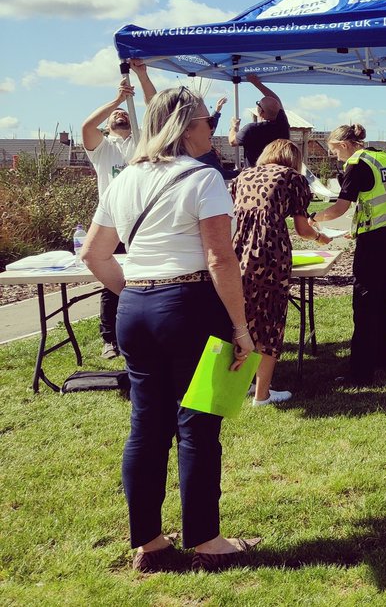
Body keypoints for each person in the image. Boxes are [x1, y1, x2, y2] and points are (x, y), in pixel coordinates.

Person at [79, 87, 260, 572]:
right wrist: (241, 328)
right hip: (190, 305)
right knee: (197, 426)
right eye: (208, 122)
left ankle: (150, 544)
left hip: (135, 308)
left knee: (146, 427)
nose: (212, 131)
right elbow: (220, 258)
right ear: (185, 125)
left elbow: (93, 254)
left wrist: (137, 290)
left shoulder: (125, 178)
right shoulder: (204, 177)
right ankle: (208, 542)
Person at [232, 139, 329, 406]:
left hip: (238, 251)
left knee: (242, 317)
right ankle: (262, 394)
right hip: (270, 254)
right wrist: (319, 237)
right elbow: (302, 229)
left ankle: (239, 384)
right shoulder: (293, 179)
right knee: (270, 321)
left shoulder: (243, 176)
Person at [312, 124, 386, 385]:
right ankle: (384, 357)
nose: (335, 157)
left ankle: (361, 372)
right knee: (384, 299)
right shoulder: (383, 157)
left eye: (334, 151)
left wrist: (314, 217)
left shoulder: (355, 163)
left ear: (344, 145)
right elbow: (375, 199)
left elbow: (340, 208)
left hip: (374, 242)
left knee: (364, 305)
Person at [81, 58, 157, 360]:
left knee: (148, 277)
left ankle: (147, 333)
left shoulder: (142, 142)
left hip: (144, 221)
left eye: (124, 112)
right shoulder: (103, 147)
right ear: (108, 125)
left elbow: (157, 110)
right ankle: (110, 339)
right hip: (112, 222)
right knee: (111, 282)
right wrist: (117, 100)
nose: (121, 114)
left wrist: (142, 75)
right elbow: (88, 126)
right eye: (115, 115)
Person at [228, 73, 289, 169]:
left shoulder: (251, 129)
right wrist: (256, 83)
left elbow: (232, 141)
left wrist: (233, 127)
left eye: (259, 104)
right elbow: (276, 100)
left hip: (255, 174)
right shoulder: (282, 126)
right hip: (277, 173)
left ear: (261, 112)